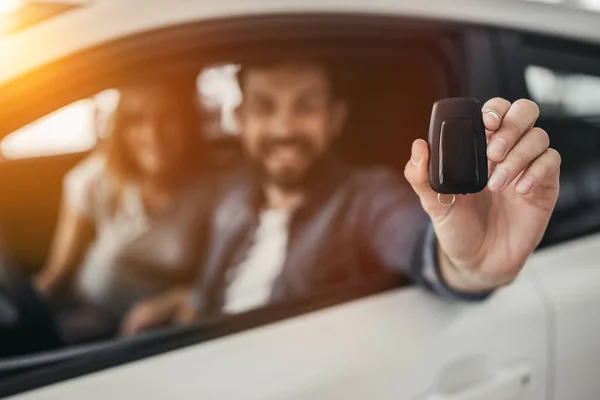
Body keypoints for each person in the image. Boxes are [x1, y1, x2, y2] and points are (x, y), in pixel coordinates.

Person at [173, 58, 560, 321]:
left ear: (335, 118)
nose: (284, 129)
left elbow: (418, 242)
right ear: (239, 119)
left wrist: (472, 267)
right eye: (264, 106)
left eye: (305, 106)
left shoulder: (368, 198)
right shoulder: (229, 198)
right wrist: (185, 304)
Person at [35, 81, 213, 342]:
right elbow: (56, 273)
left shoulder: (213, 190)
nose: (152, 134)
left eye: (167, 118)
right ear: (120, 128)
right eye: (136, 120)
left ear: (188, 122)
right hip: (81, 318)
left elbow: (217, 282)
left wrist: (175, 300)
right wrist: (26, 308)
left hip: (152, 337)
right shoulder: (94, 180)